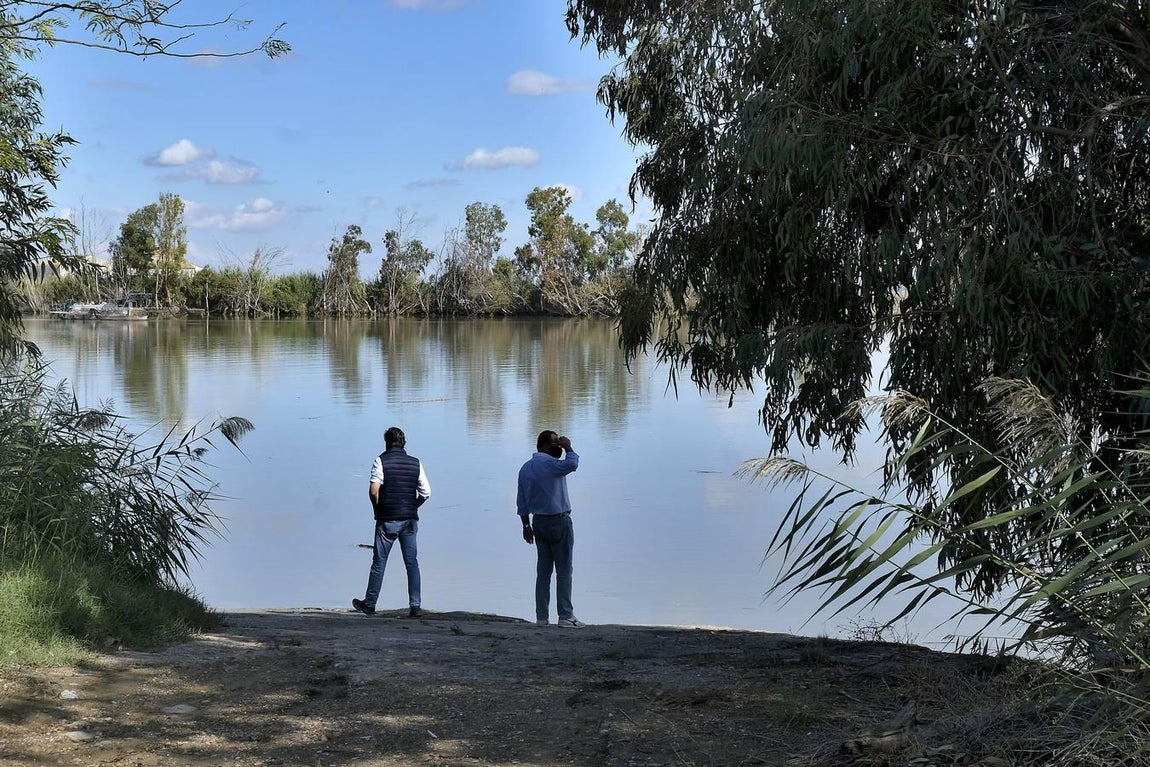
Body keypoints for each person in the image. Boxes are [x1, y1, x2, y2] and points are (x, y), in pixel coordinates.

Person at [353, 426, 431, 618]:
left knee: (379, 562)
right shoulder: (416, 463)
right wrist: (413, 506)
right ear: (404, 442)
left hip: (387, 519)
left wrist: (377, 509)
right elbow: (426, 493)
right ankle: (415, 605)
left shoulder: (380, 461)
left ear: (387, 442)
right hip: (409, 521)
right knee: (411, 563)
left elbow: (373, 490)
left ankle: (370, 604)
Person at [517, 429, 583, 627]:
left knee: (543, 572)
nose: (559, 446)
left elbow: (521, 501)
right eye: (555, 443)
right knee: (564, 570)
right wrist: (569, 446)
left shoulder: (526, 468)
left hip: (538, 523)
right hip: (558, 521)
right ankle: (565, 616)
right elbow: (573, 464)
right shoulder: (550, 464)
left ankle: (541, 618)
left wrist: (525, 525)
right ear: (545, 445)